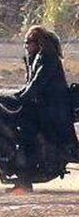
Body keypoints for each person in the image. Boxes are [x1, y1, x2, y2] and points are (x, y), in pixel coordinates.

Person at [13, 26, 77, 178]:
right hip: (43, 104)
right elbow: (30, 85)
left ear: (38, 43)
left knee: (27, 130)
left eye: (28, 42)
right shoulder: (34, 58)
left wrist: (20, 99)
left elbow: (37, 84)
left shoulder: (48, 58)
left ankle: (26, 175)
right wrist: (14, 97)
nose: (25, 46)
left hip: (53, 107)